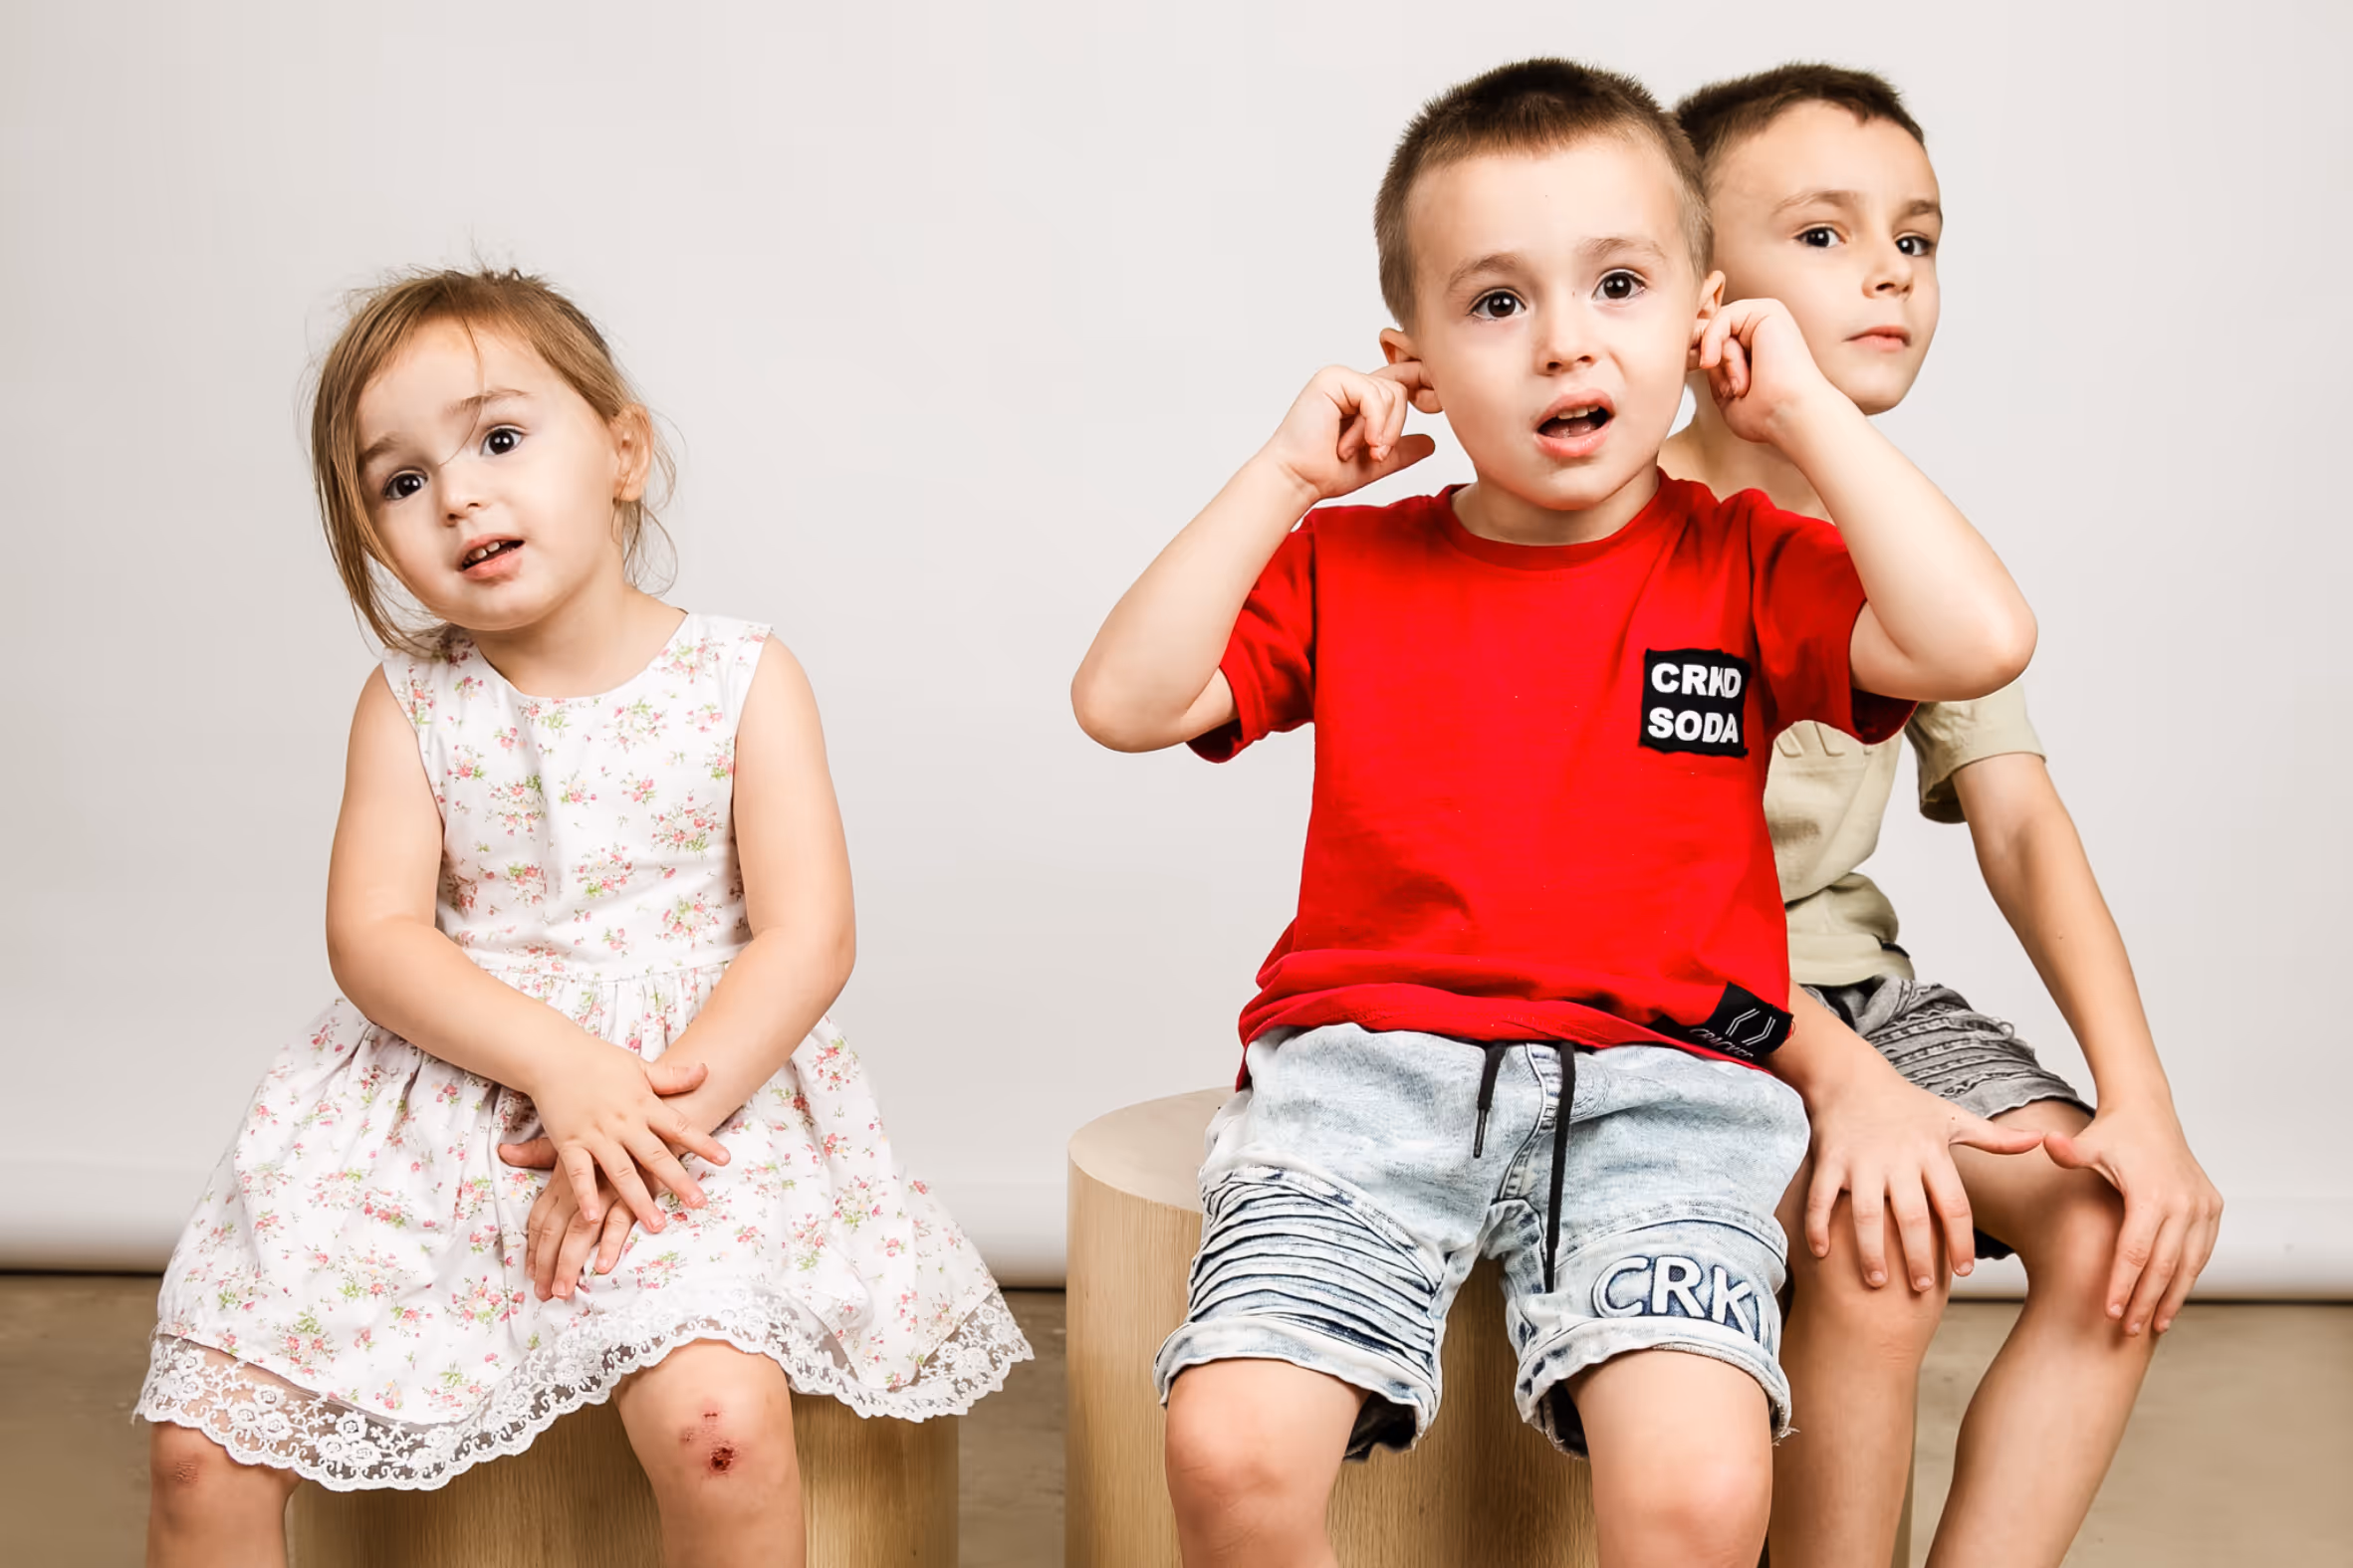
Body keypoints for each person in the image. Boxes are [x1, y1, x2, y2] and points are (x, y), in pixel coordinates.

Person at [1070, 57, 2038, 1568]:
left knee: (1699, 1492)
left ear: (1704, 314)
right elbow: (1123, 700)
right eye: (1497, 304)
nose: (1564, 340)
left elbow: (1977, 639)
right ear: (1416, 361)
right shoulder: (1353, 566)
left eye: (1619, 284)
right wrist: (1279, 477)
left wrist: (1798, 403)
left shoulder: (1746, 558)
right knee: (1228, 1446)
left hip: (1670, 1093)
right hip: (1363, 1082)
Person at [136, 268, 1029, 1568]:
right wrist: (558, 1065)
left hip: (688, 1096)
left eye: (499, 439)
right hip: (444, 1099)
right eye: (400, 480)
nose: (459, 494)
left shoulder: (743, 676)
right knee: (199, 1450)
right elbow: (377, 934)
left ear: (621, 448)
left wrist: (645, 1112)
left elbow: (807, 935)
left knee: (722, 1424)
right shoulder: (409, 706)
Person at [1663, 65, 2223, 1567]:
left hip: (1852, 984)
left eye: (1914, 239)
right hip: (1667, 1000)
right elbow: (1613, 891)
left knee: (2111, 1231)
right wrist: (1837, 1079)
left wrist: (2139, 1101)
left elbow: (2020, 819)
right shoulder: (1608, 518)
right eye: (1826, 235)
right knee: (1882, 1230)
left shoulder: (1893, 538)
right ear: (1702, 281)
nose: (1888, 276)